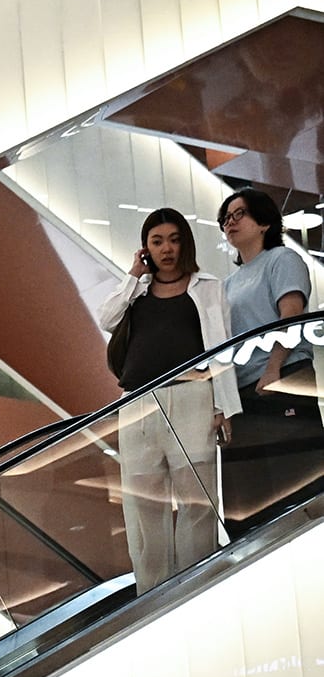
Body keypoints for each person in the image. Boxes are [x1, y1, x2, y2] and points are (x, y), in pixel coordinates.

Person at [95, 206, 236, 587]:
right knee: (144, 504)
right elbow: (106, 319)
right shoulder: (136, 292)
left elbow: (223, 350)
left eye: (174, 240)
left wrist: (224, 407)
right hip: (139, 403)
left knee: (197, 499)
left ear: (185, 243)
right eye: (157, 242)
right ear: (145, 249)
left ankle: (197, 584)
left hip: (193, 395)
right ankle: (152, 592)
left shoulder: (207, 286)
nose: (166, 248)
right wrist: (132, 275)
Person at [218, 185, 317, 531]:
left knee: (298, 478)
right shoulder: (228, 284)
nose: (230, 222)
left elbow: (290, 315)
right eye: (225, 218)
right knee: (255, 494)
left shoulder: (282, 259)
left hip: (283, 376)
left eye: (239, 213)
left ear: (263, 222)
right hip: (246, 393)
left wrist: (274, 367)